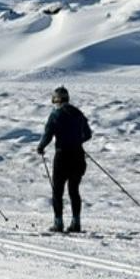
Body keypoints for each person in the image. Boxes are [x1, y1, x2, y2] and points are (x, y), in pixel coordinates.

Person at [37, 86, 92, 233]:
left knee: (58, 191)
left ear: (56, 100)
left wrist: (41, 147)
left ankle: (58, 222)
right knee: (74, 190)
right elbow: (88, 134)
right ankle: (76, 223)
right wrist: (76, 141)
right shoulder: (78, 113)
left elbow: (48, 134)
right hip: (78, 155)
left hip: (62, 156)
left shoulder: (55, 115)